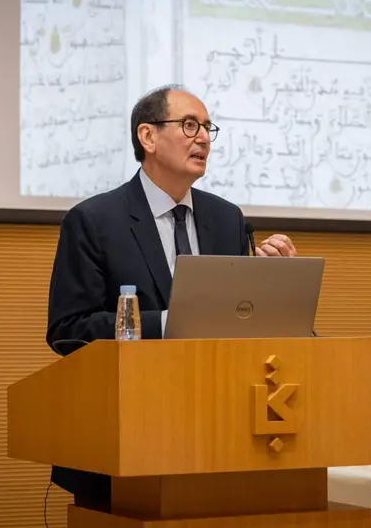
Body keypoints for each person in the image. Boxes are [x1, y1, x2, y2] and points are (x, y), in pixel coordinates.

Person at [44, 84, 297, 510]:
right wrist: (168, 322)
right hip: (126, 436)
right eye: (189, 125)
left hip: (220, 437)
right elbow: (68, 331)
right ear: (147, 137)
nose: (203, 138)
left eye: (207, 128)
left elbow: (242, 323)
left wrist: (276, 288)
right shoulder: (93, 221)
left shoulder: (226, 217)